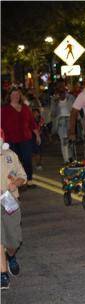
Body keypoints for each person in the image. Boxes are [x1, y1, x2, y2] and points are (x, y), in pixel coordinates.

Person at [0, 129, 27, 289]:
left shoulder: (11, 155)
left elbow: (23, 177)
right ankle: (3, 274)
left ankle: (11, 256)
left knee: (13, 241)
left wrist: (15, 183)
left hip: (9, 201)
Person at [0, 87, 40, 187]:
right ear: (9, 96)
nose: (15, 97)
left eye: (17, 95)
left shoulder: (25, 108)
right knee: (13, 162)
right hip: (10, 140)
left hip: (25, 138)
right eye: (13, 95)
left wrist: (37, 135)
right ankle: (15, 183)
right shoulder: (4, 110)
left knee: (27, 159)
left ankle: (29, 180)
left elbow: (32, 123)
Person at [51, 79, 76, 163]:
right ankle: (66, 159)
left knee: (70, 140)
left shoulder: (70, 97)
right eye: (59, 86)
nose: (61, 87)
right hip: (61, 121)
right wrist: (55, 102)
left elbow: (74, 109)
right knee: (64, 140)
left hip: (70, 120)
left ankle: (70, 156)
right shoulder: (54, 99)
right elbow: (53, 113)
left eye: (62, 85)